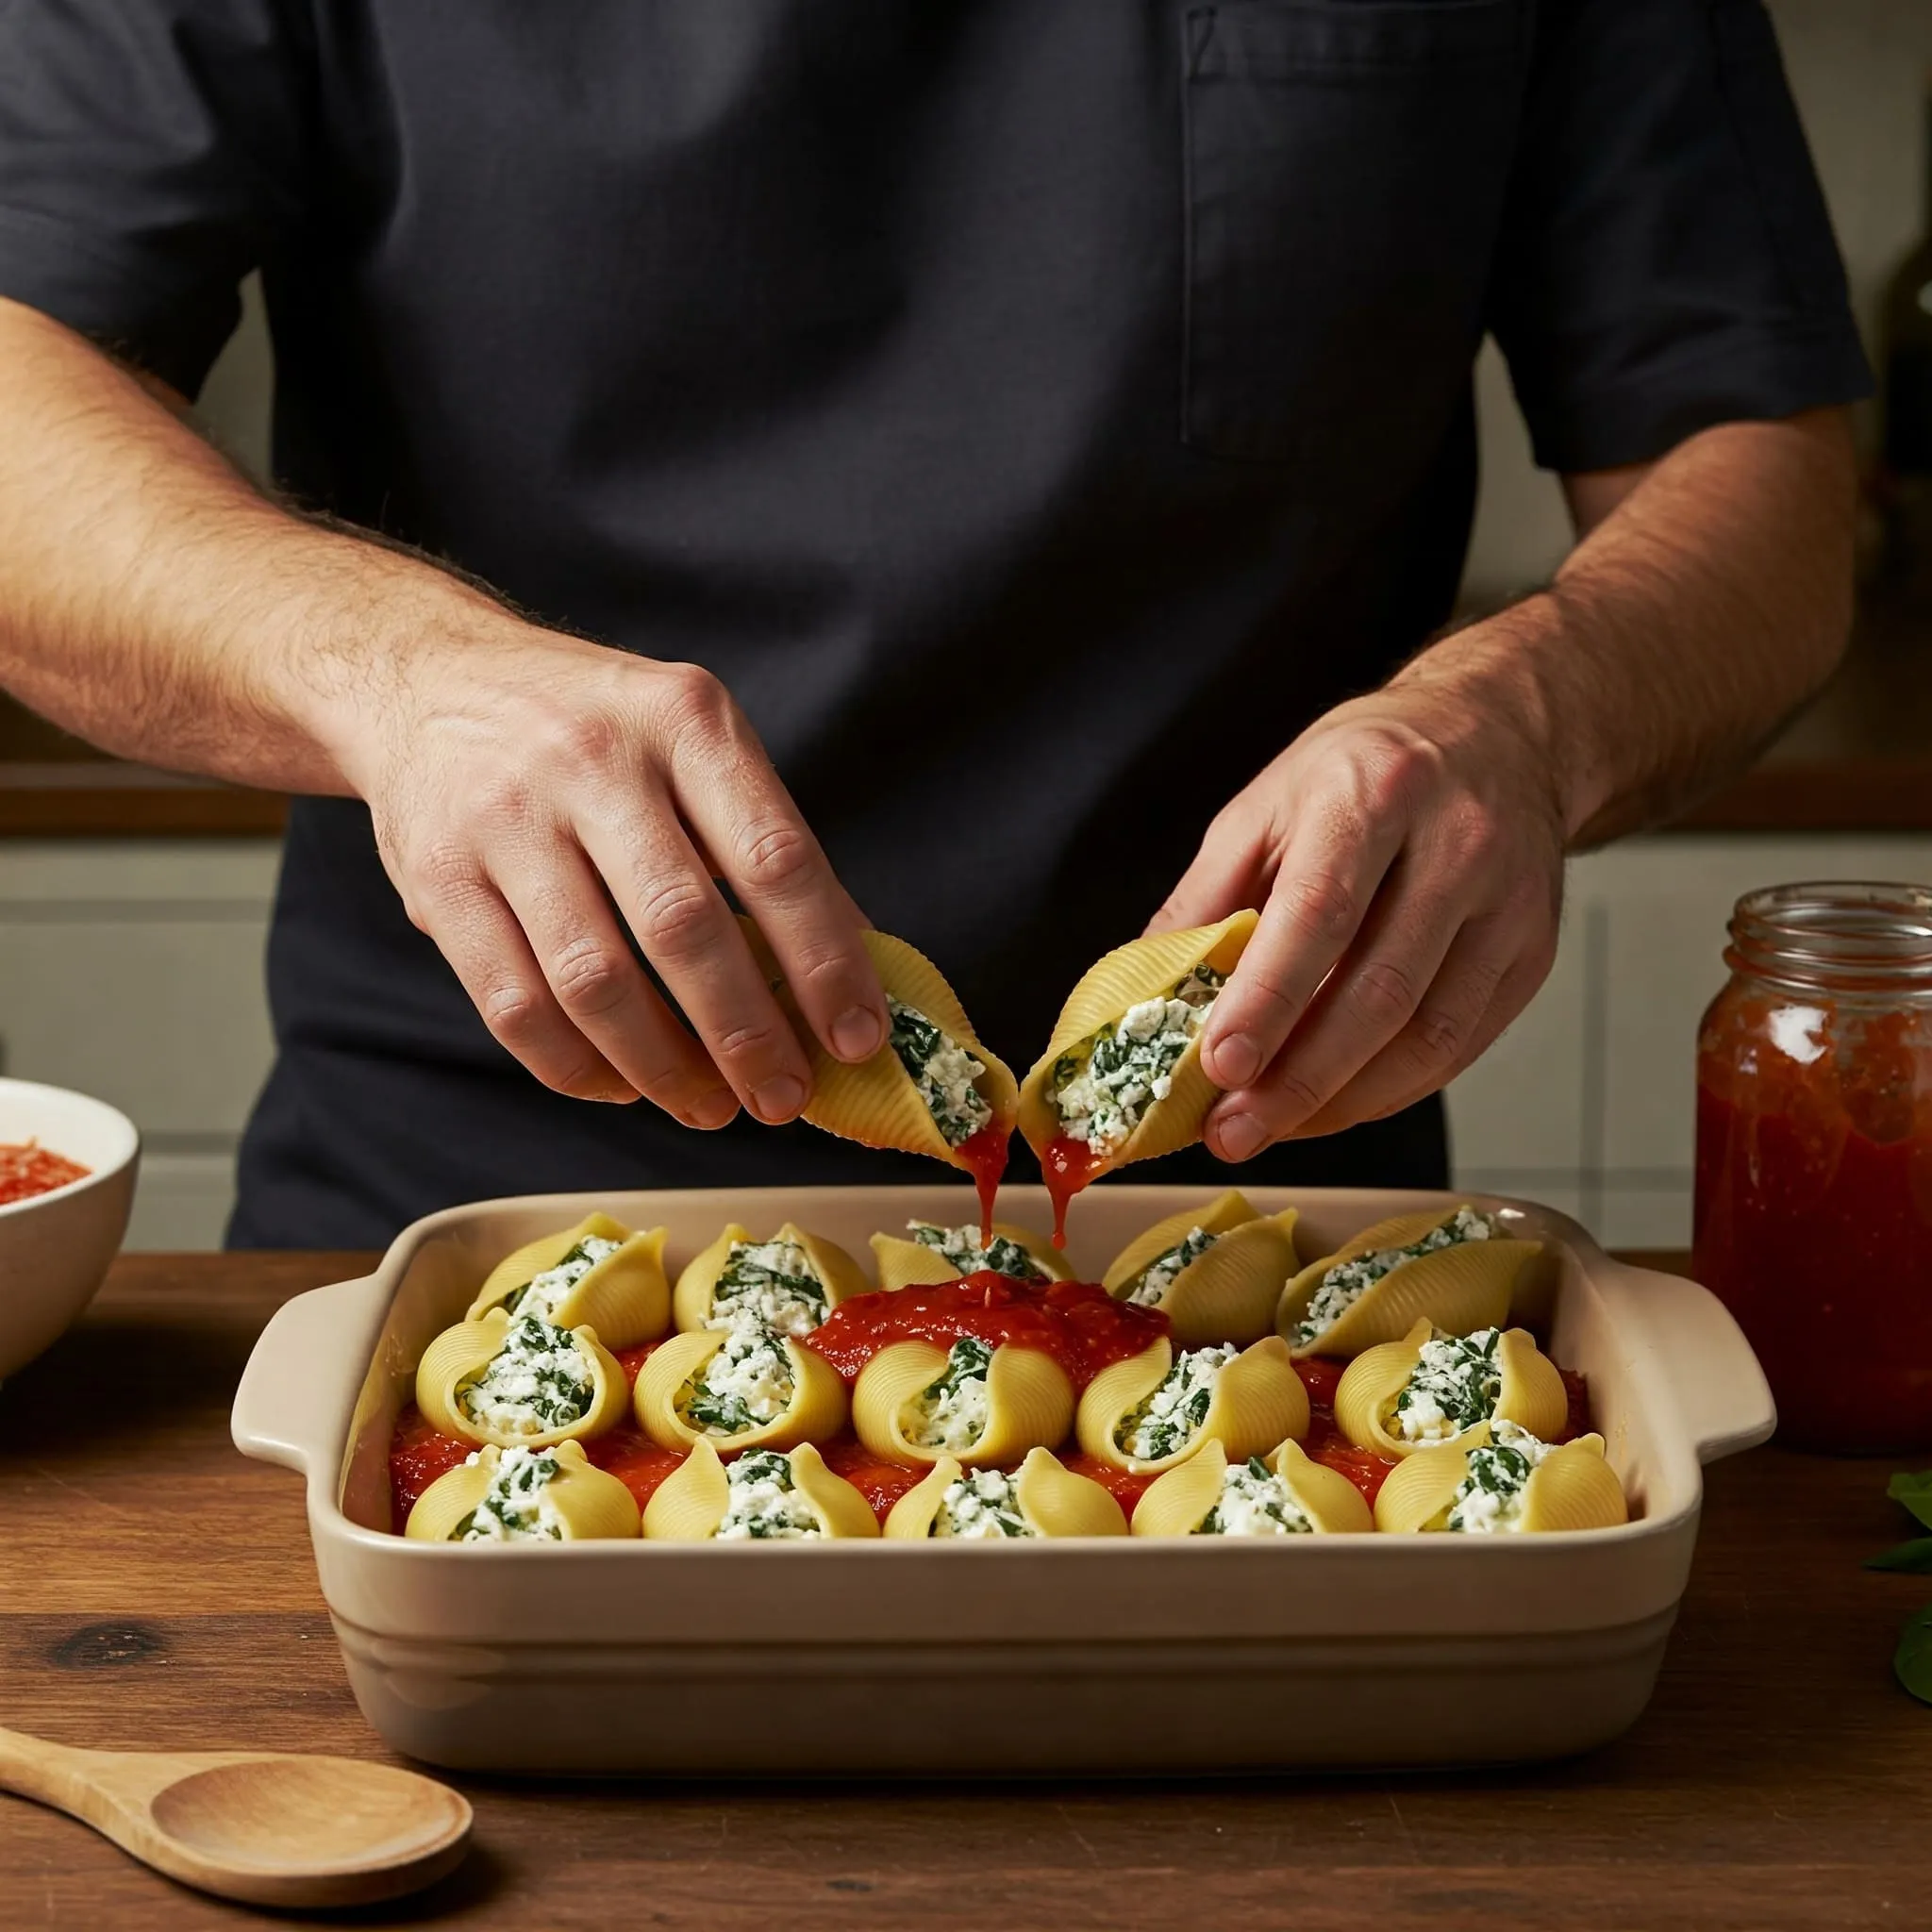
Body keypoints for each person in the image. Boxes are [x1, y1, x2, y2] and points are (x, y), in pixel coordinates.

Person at [0, 2, 1864, 1247]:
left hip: (1254, 1240)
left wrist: (1529, 717)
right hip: (466, 1205)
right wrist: (393, 675)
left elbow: (1764, 477)